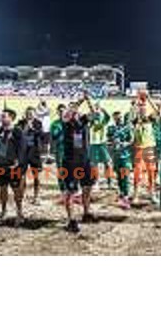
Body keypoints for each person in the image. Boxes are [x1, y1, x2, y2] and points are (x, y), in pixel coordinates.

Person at [61, 96, 95, 233]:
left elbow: (94, 114)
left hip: (85, 160)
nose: (76, 112)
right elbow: (67, 114)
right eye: (73, 110)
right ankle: (71, 220)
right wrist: (79, 101)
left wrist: (88, 101)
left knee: (87, 188)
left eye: (77, 111)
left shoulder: (83, 121)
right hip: (70, 162)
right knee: (70, 191)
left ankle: (86, 213)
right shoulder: (66, 122)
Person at [0, 108, 26, 223]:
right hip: (0, 164)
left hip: (12, 166)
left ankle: (19, 213)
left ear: (11, 118)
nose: (2, 118)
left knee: (16, 190)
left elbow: (22, 147)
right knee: (2, 188)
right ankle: (3, 211)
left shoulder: (17, 131)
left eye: (4, 116)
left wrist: (18, 161)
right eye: (2, 116)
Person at [130, 92, 160, 205]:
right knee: (137, 173)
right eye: (140, 109)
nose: (142, 110)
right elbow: (131, 116)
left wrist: (149, 99)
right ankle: (136, 195)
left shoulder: (150, 119)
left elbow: (157, 111)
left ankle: (152, 194)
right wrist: (135, 104)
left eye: (143, 109)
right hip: (138, 149)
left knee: (151, 172)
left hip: (149, 148)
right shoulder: (135, 121)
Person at [17, 106, 44, 204]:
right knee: (22, 176)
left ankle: (36, 196)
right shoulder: (21, 123)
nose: (29, 115)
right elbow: (17, 134)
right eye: (28, 114)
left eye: (31, 114)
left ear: (34, 114)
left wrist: (33, 128)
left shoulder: (38, 123)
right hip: (23, 153)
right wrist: (25, 127)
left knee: (36, 176)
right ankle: (22, 196)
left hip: (35, 152)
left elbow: (42, 135)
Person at [108, 111, 134, 208]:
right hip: (116, 156)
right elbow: (108, 140)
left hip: (125, 156)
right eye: (116, 118)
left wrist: (124, 144)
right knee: (119, 176)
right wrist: (112, 143)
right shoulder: (111, 128)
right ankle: (122, 193)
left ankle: (126, 197)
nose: (118, 119)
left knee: (125, 176)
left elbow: (131, 140)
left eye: (119, 118)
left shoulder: (126, 128)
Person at [86, 97, 113, 188]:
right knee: (94, 164)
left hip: (102, 143)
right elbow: (91, 113)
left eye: (98, 108)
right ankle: (96, 182)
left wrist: (102, 109)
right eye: (95, 108)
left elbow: (108, 116)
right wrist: (89, 102)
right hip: (93, 144)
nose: (96, 110)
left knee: (108, 163)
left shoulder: (104, 119)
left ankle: (109, 181)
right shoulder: (91, 119)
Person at [50, 104, 67, 192]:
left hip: (70, 149)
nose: (61, 113)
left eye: (63, 111)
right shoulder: (55, 124)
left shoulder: (71, 122)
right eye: (60, 111)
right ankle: (62, 187)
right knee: (61, 169)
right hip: (60, 149)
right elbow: (54, 135)